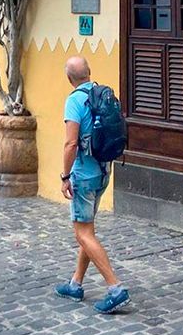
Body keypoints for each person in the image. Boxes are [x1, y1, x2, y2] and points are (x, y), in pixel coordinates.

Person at [54, 55, 130, 314]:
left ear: (68, 79)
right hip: (103, 170)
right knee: (87, 229)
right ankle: (76, 283)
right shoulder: (102, 93)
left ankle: (115, 287)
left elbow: (70, 143)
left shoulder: (74, 101)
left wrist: (65, 176)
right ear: (89, 72)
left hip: (84, 175)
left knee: (83, 233)